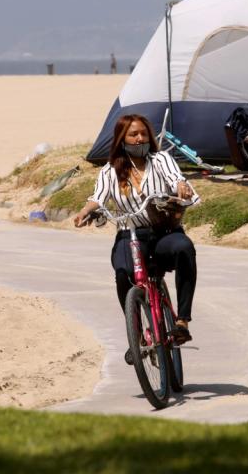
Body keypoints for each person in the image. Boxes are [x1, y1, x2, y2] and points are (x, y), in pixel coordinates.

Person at [73, 114, 199, 364]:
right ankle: (138, 336)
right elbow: (98, 197)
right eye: (133, 134)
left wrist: (182, 186)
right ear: (122, 139)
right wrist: (86, 211)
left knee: (184, 249)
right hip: (129, 233)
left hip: (163, 231)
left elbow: (177, 179)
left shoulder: (160, 159)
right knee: (123, 274)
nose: (139, 138)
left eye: (143, 133)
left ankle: (182, 320)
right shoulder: (110, 171)